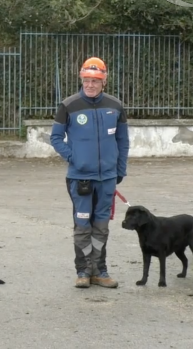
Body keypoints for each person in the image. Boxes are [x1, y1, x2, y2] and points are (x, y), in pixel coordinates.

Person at [50, 56, 130, 289]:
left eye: (95, 81)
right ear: (81, 79)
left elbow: (122, 140)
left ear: (104, 81)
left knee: (101, 226)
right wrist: (74, 157)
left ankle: (100, 271)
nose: (90, 85)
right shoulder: (68, 105)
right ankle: (83, 271)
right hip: (79, 178)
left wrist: (119, 169)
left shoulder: (115, 106)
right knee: (83, 225)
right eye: (86, 80)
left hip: (107, 178)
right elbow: (55, 138)